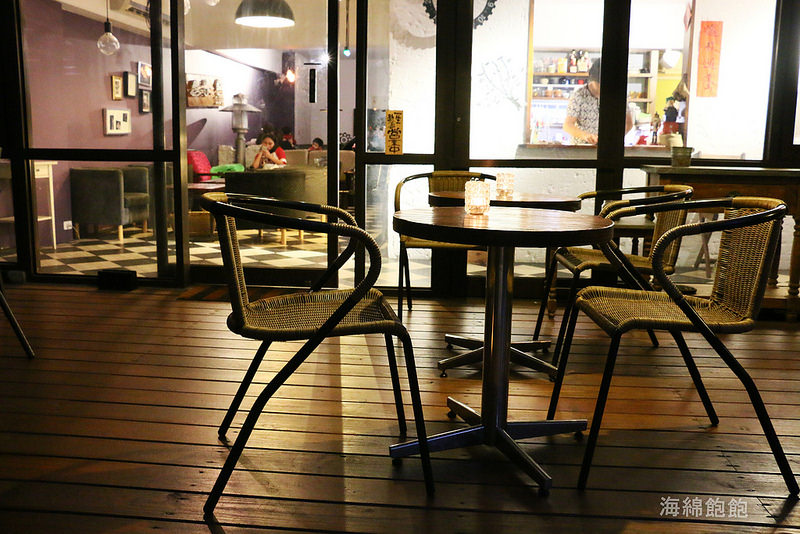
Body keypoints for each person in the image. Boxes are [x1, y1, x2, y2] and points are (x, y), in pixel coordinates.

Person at [563, 58, 634, 145]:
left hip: (609, 148)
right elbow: (568, 125)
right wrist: (586, 136)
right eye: (600, 84)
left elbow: (628, 123)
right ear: (592, 79)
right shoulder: (579, 95)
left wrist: (614, 138)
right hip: (583, 147)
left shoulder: (617, 95)